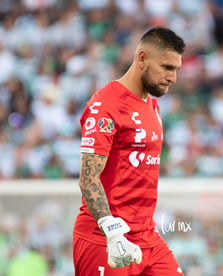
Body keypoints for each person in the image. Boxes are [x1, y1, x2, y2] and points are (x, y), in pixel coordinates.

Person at [73, 26, 186, 276]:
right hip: (103, 239)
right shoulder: (106, 105)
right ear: (142, 58)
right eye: (167, 67)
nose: (173, 78)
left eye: (176, 69)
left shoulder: (153, 106)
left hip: (147, 237)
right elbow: (88, 179)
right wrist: (111, 231)